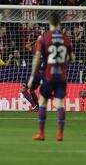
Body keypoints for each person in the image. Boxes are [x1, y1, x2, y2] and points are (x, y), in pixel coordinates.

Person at [28, 13, 73, 141]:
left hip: (48, 75)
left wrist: (32, 76)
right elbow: (71, 58)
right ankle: (60, 134)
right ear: (60, 23)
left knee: (43, 102)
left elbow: (37, 58)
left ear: (49, 23)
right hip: (62, 76)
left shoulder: (44, 38)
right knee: (59, 103)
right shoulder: (66, 38)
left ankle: (41, 133)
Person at [21, 40, 41, 111]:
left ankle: (34, 105)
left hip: (35, 75)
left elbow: (27, 46)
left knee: (23, 90)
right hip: (41, 76)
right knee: (32, 91)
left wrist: (36, 40)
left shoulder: (37, 52)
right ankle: (38, 108)